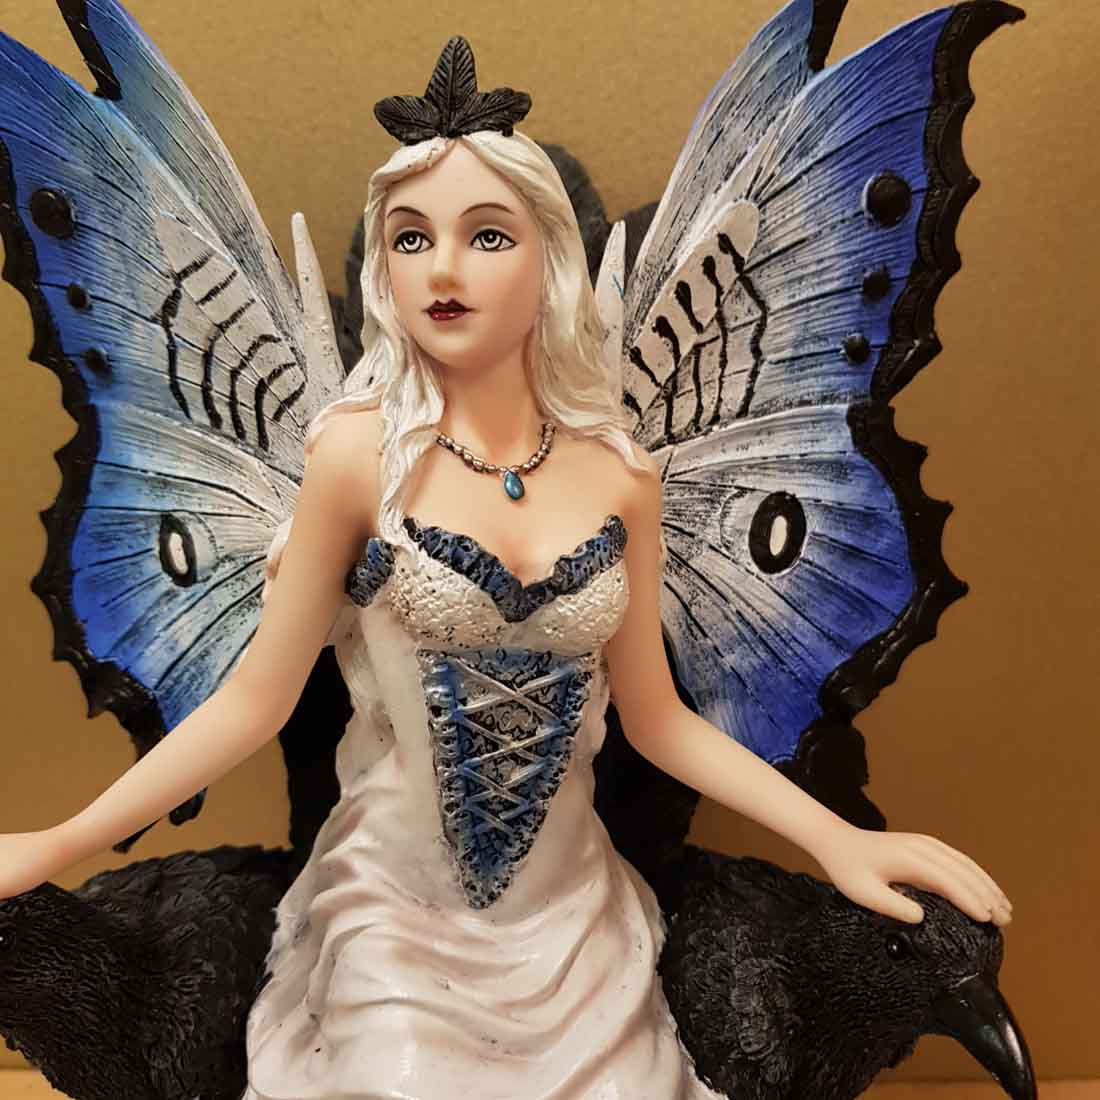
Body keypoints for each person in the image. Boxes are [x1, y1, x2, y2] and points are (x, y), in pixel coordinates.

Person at [0, 35, 1011, 1100]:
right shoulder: (354, 457)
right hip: (393, 907)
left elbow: (660, 721)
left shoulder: (620, 472)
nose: (441, 269)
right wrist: (60, 841)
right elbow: (255, 700)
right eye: (410, 237)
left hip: (571, 915)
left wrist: (838, 841)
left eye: (486, 234)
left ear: (548, 259)